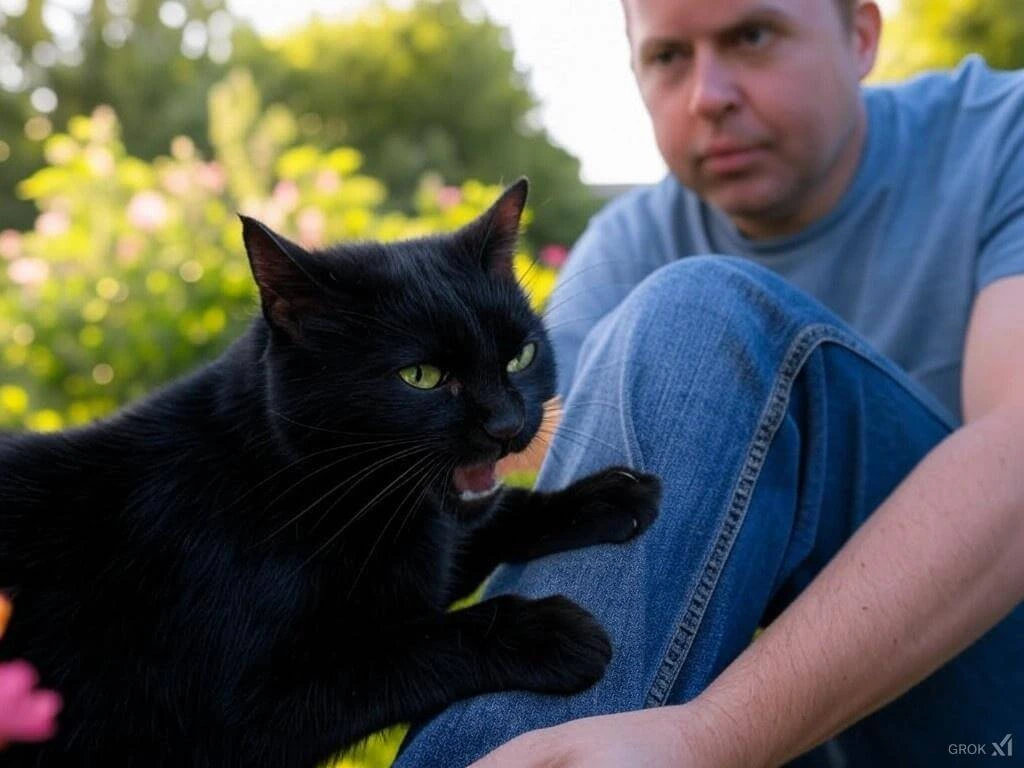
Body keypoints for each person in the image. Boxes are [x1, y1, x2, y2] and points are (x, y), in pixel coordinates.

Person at [395, 0, 1024, 765]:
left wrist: (714, 738)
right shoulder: (629, 243)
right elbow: (531, 460)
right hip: (805, 722)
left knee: (701, 312)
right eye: (667, 58)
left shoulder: (1001, 137)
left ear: (860, 36)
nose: (707, 95)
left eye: (751, 36)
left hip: (990, 711)